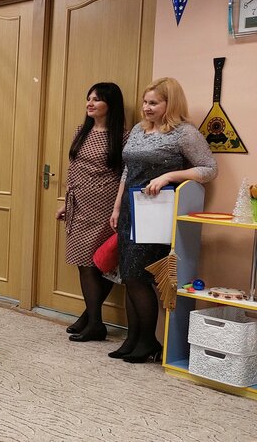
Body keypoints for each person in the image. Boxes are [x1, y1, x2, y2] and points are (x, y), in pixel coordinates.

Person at [111, 77, 217, 363]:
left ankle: (149, 341)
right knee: (128, 277)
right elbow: (127, 170)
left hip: (157, 213)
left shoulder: (184, 133)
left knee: (139, 276)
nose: (146, 108)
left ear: (170, 104)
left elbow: (209, 169)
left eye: (154, 103)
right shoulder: (138, 129)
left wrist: (169, 176)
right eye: (145, 102)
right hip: (131, 209)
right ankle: (133, 338)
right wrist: (117, 207)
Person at [56, 82, 128, 342]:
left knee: (101, 263)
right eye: (89, 98)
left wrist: (119, 208)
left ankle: (94, 322)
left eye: (97, 99)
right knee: (83, 262)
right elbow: (73, 168)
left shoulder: (122, 136)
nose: (90, 103)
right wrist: (66, 202)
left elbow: (125, 174)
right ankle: (92, 318)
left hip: (105, 207)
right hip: (79, 205)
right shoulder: (82, 131)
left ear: (111, 104)